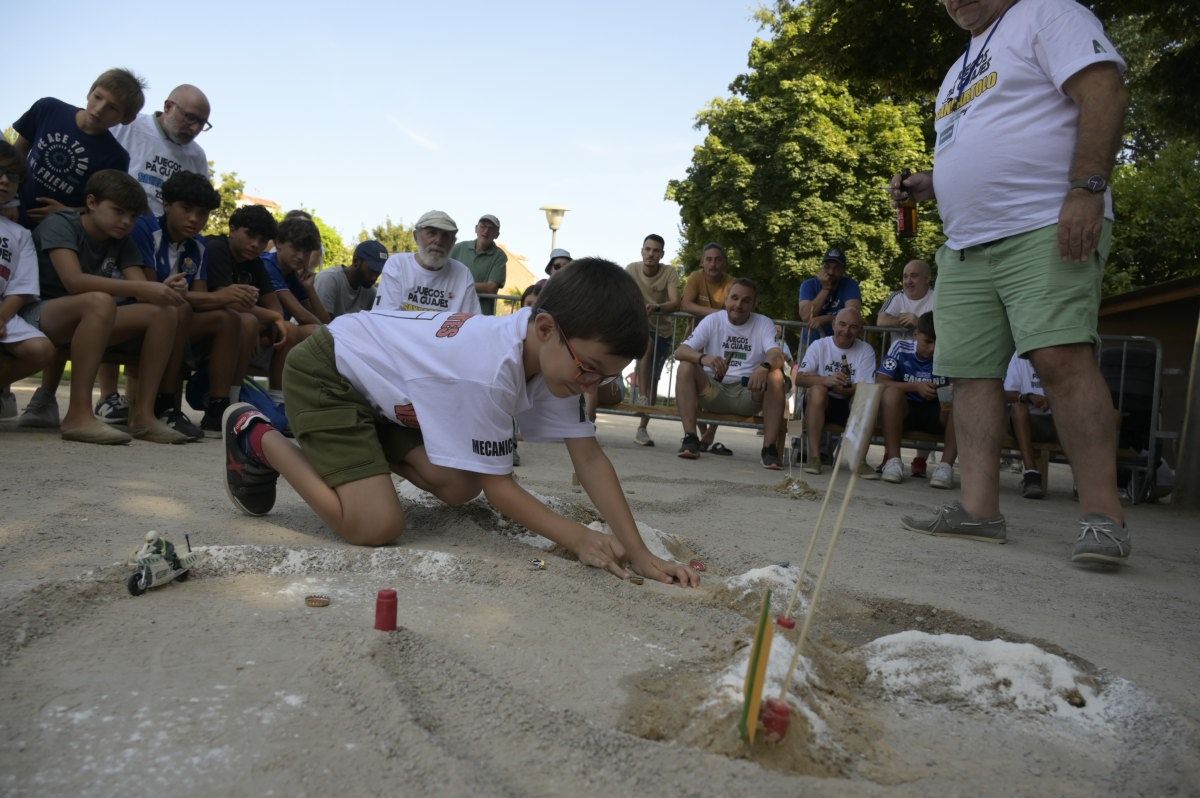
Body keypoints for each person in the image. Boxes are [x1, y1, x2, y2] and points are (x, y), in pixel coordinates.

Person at [219, 258, 700, 588]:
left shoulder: (560, 359)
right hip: (329, 370)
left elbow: (590, 458)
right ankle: (255, 435)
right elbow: (501, 489)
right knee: (375, 525)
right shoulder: (492, 369)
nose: (591, 384)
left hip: (389, 392)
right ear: (547, 327)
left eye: (604, 377)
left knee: (457, 483)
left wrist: (640, 553)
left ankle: (359, 459)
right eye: (589, 369)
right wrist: (578, 538)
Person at [892, 0, 1130, 564]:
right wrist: (932, 182)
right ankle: (978, 510)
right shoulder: (957, 70)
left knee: (1060, 359)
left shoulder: (1049, 12)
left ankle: (1103, 517)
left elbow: (1105, 90)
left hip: (1046, 221)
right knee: (971, 377)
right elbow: (971, 144)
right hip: (966, 244)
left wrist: (1087, 188)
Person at [18, 169, 187, 444]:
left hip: (90, 317)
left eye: (133, 216)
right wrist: (144, 287)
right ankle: (78, 416)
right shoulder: (61, 224)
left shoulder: (121, 240)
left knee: (164, 311)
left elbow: (142, 292)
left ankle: (143, 417)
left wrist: (165, 289)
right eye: (118, 211)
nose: (126, 222)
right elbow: (73, 281)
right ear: (92, 202)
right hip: (35, 316)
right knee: (99, 301)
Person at [131, 170, 248, 437]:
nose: (195, 219)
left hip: (178, 318)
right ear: (167, 204)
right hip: (139, 315)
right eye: (186, 209)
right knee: (179, 309)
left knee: (228, 318)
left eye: (203, 213)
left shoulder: (199, 247)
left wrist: (225, 298)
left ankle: (218, 408)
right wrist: (221, 296)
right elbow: (147, 292)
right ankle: (166, 402)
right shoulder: (146, 230)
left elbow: (201, 297)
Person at [673, 278, 788, 469]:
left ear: (753, 304)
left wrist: (764, 366)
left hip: (748, 391)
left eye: (746, 300)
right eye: (734, 298)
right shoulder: (712, 320)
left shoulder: (764, 323)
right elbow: (680, 351)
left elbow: (776, 354)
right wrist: (704, 358)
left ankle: (769, 449)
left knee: (775, 376)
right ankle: (690, 439)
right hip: (713, 390)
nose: (738, 305)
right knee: (685, 366)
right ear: (726, 300)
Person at [11, 68, 146, 229]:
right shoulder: (48, 108)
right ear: (90, 92)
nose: (99, 109)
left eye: (112, 108)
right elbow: (14, 155)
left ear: (127, 119)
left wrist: (67, 213)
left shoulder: (116, 158)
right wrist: (9, 199)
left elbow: (103, 206)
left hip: (56, 232)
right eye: (98, 97)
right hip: (11, 211)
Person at [202, 205, 294, 402]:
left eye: (262, 241)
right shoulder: (217, 248)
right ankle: (225, 402)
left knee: (289, 329)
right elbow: (225, 299)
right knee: (247, 322)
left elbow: (274, 305)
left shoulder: (256, 263)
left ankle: (277, 401)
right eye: (250, 235)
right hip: (207, 327)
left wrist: (263, 323)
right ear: (233, 229)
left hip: (243, 329)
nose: (255, 244)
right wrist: (269, 318)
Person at [0, 142, 57, 419]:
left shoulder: (19, 234)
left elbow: (21, 288)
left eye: (12, 176)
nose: (4, 180)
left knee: (41, 350)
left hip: (2, 311)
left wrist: (1, 318)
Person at [875, 312, 958, 488]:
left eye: (938, 342)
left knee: (961, 401)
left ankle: (945, 467)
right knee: (890, 394)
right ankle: (893, 461)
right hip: (906, 411)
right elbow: (881, 382)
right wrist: (916, 387)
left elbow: (958, 387)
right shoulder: (900, 347)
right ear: (915, 335)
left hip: (939, 412)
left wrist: (947, 394)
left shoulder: (950, 353)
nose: (934, 348)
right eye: (928, 342)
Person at [794, 308, 877, 474]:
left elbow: (866, 387)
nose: (846, 331)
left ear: (860, 330)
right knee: (817, 390)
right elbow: (800, 378)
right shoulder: (819, 345)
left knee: (865, 398)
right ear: (833, 325)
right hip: (820, 403)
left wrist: (845, 387)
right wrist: (826, 381)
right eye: (842, 324)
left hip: (849, 405)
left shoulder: (866, 350)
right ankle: (814, 458)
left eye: (853, 327)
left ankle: (859, 460)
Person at [113, 84, 211, 216]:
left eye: (202, 123)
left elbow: (200, 204)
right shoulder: (128, 126)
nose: (194, 129)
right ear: (168, 107)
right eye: (190, 118)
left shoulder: (197, 156)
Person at [626, 234, 680, 447]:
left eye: (656, 250)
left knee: (655, 378)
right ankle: (640, 397)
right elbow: (622, 294)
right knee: (644, 348)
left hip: (663, 331)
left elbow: (676, 302)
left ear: (662, 254)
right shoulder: (631, 269)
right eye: (648, 249)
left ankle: (642, 427)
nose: (651, 254)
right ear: (642, 251)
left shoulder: (669, 272)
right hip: (637, 326)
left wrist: (656, 307)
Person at [680, 242, 735, 449]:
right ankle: (699, 433)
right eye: (709, 259)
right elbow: (685, 304)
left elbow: (734, 308)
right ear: (703, 262)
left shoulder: (732, 283)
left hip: (722, 341)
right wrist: (717, 314)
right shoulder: (696, 277)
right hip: (696, 339)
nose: (713, 264)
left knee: (721, 382)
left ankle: (711, 431)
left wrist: (706, 313)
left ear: (724, 262)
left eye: (718, 259)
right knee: (690, 382)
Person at [374, 211, 481, 314]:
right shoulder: (398, 265)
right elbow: (386, 318)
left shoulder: (462, 273)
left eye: (446, 236)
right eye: (432, 233)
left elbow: (472, 322)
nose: (439, 241)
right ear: (416, 236)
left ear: (453, 242)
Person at [261, 216, 330, 329]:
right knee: (311, 331)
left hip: (272, 333)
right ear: (278, 243)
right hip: (253, 330)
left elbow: (324, 320)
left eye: (307, 252)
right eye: (296, 248)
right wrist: (331, 335)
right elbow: (302, 316)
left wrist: (310, 289)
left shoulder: (293, 275)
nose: (301, 257)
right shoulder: (267, 264)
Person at [1003, 353, 1056, 500]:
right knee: (1018, 409)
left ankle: (1081, 480)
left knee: (1076, 414)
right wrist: (1027, 397)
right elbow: (1006, 394)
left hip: (1058, 420)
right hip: (1028, 421)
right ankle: (1031, 474)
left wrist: (1055, 400)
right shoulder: (1020, 355)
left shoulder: (1062, 354)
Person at [797, 248, 862, 341]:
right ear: (822, 268)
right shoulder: (808, 285)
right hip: (810, 343)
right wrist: (825, 289)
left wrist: (826, 319)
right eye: (827, 267)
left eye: (836, 268)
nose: (831, 272)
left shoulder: (850, 285)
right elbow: (806, 316)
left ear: (843, 270)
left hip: (841, 343)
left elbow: (852, 316)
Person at [314, 240, 388, 318]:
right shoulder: (329, 279)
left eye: (379, 272)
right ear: (356, 261)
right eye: (371, 270)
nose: (375, 277)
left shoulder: (370, 292)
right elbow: (321, 324)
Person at [449, 214, 506, 315]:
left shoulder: (499, 256)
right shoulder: (459, 248)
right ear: (476, 228)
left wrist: (459, 285)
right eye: (483, 226)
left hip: (480, 315)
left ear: (497, 234)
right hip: (453, 310)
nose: (486, 231)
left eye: (491, 228)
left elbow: (491, 288)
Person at [877, 259, 935, 347]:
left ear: (927, 278)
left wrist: (918, 323)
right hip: (899, 356)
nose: (908, 281)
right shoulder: (897, 296)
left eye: (914, 276)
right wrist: (905, 321)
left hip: (928, 357)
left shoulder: (937, 298)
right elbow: (881, 321)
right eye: (905, 277)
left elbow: (945, 327)